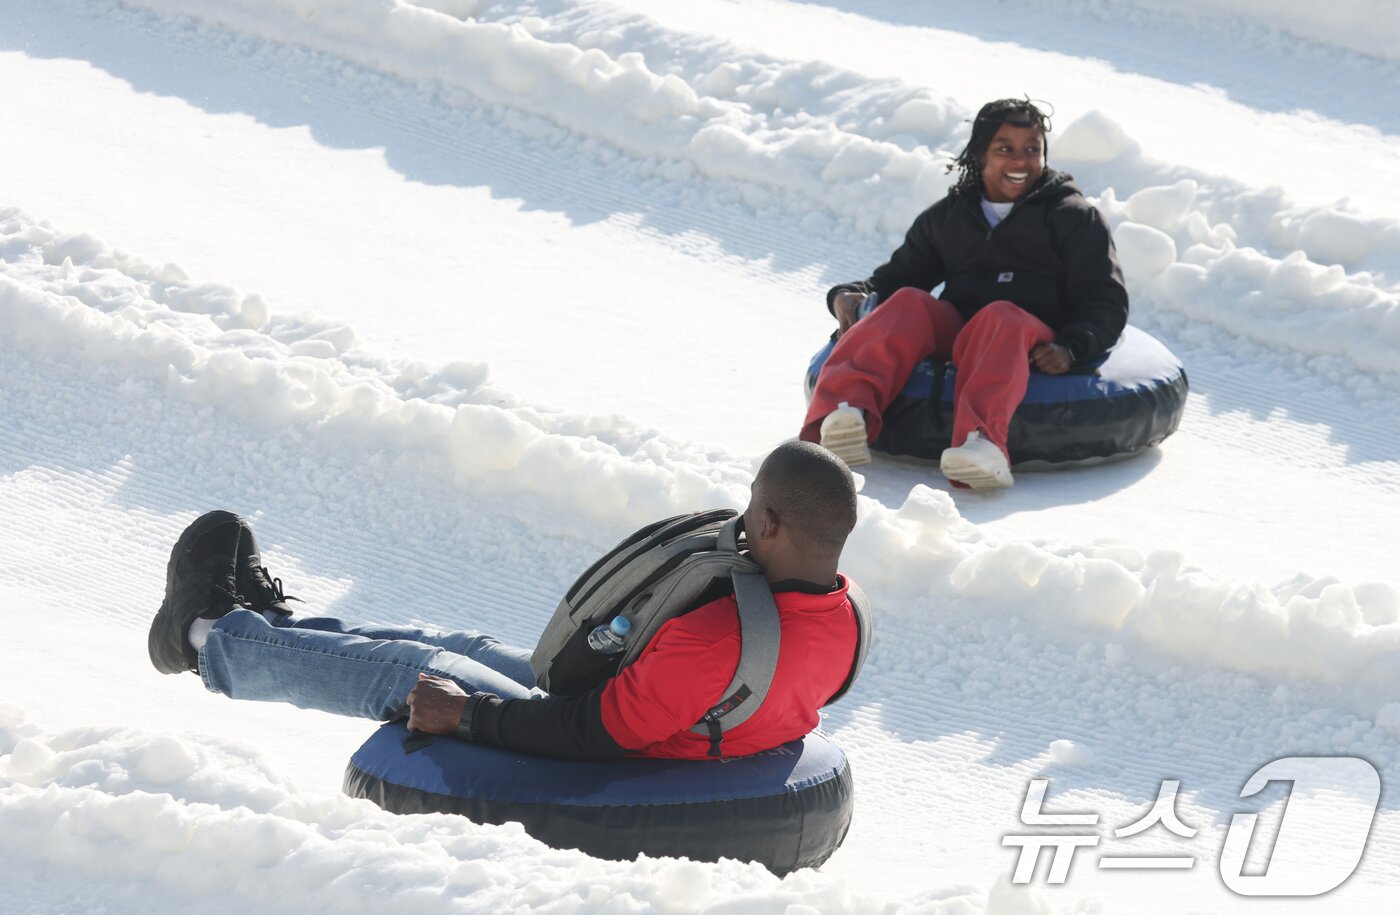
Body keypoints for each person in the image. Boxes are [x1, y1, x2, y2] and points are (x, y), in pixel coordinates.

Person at [147, 441, 860, 761]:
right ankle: (274, 628)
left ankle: (206, 636)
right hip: (683, 714)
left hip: (626, 750)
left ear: (769, 523)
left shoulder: (719, 635)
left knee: (416, 671)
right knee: (467, 646)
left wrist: (470, 714)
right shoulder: (848, 619)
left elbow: (597, 735)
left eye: (749, 512)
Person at [803, 98, 1129, 489]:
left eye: (1032, 149)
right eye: (1005, 149)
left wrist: (1073, 347)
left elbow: (1105, 300)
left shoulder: (1074, 218)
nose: (1021, 161)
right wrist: (849, 296)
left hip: (1029, 338)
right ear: (980, 154)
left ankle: (982, 443)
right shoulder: (952, 216)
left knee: (1001, 315)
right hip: (964, 335)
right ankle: (842, 415)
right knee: (909, 301)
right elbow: (893, 279)